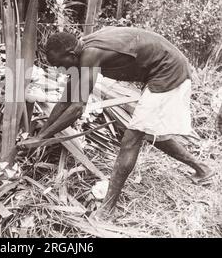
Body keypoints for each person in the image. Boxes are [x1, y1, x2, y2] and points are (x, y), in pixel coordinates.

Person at [34, 26, 214, 216]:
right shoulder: (81, 51)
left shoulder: (90, 55)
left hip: (169, 71)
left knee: (131, 139)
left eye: (59, 65)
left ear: (71, 55)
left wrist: (41, 138)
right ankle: (203, 170)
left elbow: (77, 108)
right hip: (162, 68)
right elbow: (66, 100)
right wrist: (41, 134)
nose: (59, 70)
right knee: (150, 132)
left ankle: (107, 208)